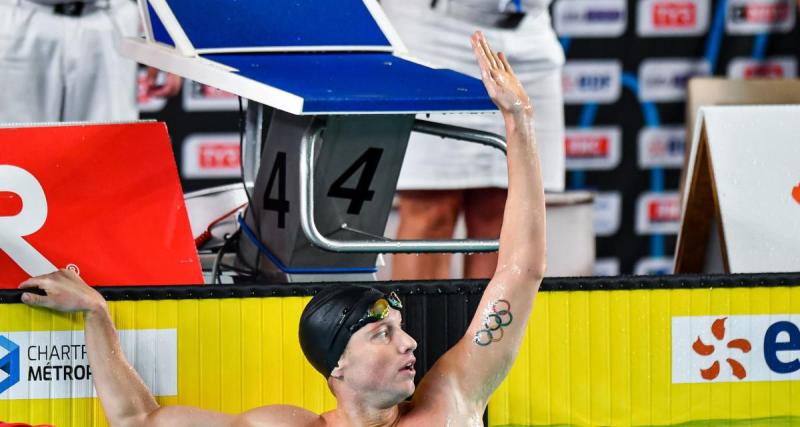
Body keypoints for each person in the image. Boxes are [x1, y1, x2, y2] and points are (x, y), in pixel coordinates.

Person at [18, 31, 546, 427]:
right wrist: (96, 316)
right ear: (336, 364)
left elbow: (521, 271)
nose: (410, 343)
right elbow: (140, 421)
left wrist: (519, 123)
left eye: (399, 328)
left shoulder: (450, 405)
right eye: (382, 334)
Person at [381, 0, 563, 280]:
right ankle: (419, 324)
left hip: (530, 28)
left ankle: (492, 325)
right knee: (432, 210)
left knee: (505, 213)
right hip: (434, 28)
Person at [0, 0, 181, 123]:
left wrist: (163, 30)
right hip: (21, 14)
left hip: (108, 15)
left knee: (108, 154)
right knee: (15, 159)